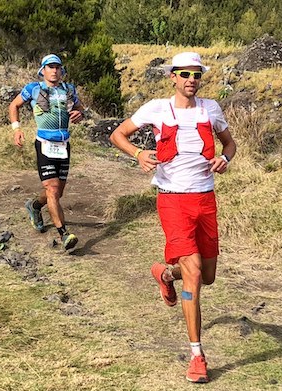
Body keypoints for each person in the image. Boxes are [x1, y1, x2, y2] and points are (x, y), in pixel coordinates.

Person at [109, 52, 237, 384]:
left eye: (196, 74)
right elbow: (117, 135)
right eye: (185, 74)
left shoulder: (211, 109)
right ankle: (197, 356)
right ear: (173, 77)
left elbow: (230, 145)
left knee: (206, 276)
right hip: (173, 200)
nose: (191, 79)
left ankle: (166, 274)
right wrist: (138, 154)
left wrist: (225, 159)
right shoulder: (156, 108)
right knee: (193, 274)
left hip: (205, 200)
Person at [8, 54, 84, 251]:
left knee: (58, 192)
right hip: (44, 143)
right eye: (50, 67)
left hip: (64, 144)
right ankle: (64, 234)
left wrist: (79, 113)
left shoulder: (69, 89)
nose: (54, 70)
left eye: (57, 67)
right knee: (52, 189)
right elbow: (14, 105)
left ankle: (34, 205)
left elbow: (79, 107)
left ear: (62, 70)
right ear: (42, 70)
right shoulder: (33, 89)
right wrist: (16, 129)